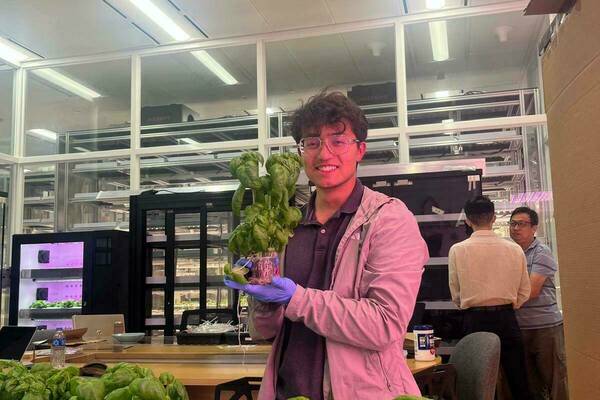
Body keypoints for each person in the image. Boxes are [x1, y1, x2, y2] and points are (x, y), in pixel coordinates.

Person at [224, 91, 429, 399]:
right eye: (312, 142)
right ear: (301, 151)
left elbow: (384, 325)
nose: (323, 154)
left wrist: (296, 298)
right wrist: (263, 300)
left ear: (361, 149)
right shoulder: (286, 226)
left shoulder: (388, 220)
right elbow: (264, 332)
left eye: (338, 140)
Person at [448, 196, 532, 400]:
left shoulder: (458, 250)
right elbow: (524, 291)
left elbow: (456, 293)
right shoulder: (514, 249)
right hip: (507, 318)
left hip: (474, 320)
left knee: (478, 382)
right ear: (494, 218)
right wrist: (509, 305)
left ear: (468, 220)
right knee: (518, 380)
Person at [510, 207, 569, 400]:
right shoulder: (510, 253)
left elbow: (532, 290)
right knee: (530, 384)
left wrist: (504, 301)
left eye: (522, 224)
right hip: (520, 327)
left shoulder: (542, 252)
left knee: (555, 382)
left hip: (545, 328)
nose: (516, 228)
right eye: (513, 223)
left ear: (534, 228)